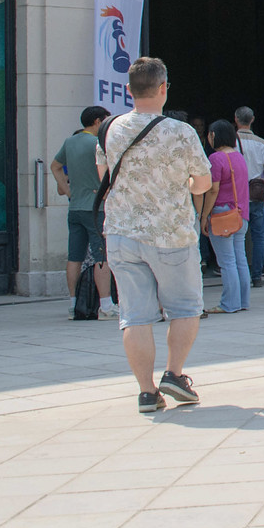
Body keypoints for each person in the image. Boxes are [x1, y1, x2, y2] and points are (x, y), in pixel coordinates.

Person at [99, 57, 211, 413]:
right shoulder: (181, 132)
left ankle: (146, 392)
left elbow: (104, 175)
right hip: (170, 233)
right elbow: (202, 183)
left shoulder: (109, 128)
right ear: (163, 88)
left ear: (128, 90)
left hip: (121, 232)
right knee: (185, 307)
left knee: (134, 315)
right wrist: (185, 183)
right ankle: (174, 374)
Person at [53, 105, 113, 311]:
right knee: (101, 256)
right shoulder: (98, 144)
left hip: (75, 207)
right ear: (97, 121)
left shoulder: (70, 142)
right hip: (96, 208)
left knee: (74, 256)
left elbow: (55, 166)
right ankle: (106, 305)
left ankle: (73, 304)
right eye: (106, 121)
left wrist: (68, 191)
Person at [204, 119, 251, 314]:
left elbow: (213, 190)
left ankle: (229, 303)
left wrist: (204, 216)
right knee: (240, 259)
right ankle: (242, 301)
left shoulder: (216, 158)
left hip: (222, 214)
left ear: (214, 135)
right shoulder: (239, 157)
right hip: (241, 214)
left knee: (226, 262)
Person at [233, 108, 264, 288]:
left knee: (236, 236)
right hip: (257, 194)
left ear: (236, 119)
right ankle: (257, 276)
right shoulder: (262, 143)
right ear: (252, 120)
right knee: (258, 235)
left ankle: (237, 274)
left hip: (236, 194)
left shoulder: (231, 142)